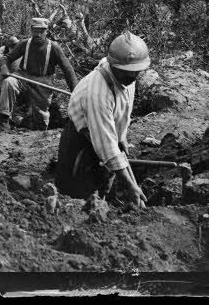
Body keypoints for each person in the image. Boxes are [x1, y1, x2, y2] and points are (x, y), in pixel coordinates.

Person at [55, 32, 152, 206]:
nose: (133, 77)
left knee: (104, 184)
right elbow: (106, 145)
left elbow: (124, 110)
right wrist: (130, 185)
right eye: (128, 73)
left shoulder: (128, 75)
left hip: (105, 134)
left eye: (136, 72)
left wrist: (121, 137)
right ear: (113, 65)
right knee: (75, 197)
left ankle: (105, 203)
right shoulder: (98, 92)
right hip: (81, 140)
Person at [0, 18, 78, 129]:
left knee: (41, 118)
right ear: (31, 30)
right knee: (9, 82)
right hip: (23, 76)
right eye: (35, 31)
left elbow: (68, 69)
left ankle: (40, 131)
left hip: (43, 80)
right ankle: (3, 118)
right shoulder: (24, 43)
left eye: (41, 31)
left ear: (46, 31)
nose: (38, 34)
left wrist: (75, 90)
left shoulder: (54, 47)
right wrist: (4, 68)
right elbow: (6, 58)